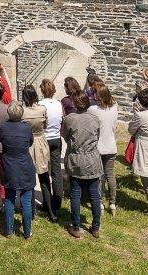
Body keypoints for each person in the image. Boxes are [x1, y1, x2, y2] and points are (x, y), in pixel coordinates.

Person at [61, 92, 103, 238]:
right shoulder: (95, 119)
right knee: (94, 195)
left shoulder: (70, 119)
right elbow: (97, 136)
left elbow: (65, 135)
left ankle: (76, 226)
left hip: (77, 158)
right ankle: (96, 227)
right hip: (92, 158)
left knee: (76, 193)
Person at [0, 102, 36, 238]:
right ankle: (27, 232)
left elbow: (2, 139)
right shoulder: (26, 128)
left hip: (9, 165)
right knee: (25, 200)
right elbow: (30, 142)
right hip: (24, 164)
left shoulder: (3, 127)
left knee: (9, 198)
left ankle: (9, 231)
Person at [20, 85, 53, 221]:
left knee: (29, 179)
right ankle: (51, 211)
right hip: (40, 142)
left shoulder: (22, 111)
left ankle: (31, 210)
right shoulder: (42, 109)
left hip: (28, 143)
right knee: (44, 177)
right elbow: (46, 125)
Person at [88, 82, 120, 214]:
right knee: (110, 175)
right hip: (111, 145)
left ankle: (99, 200)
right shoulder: (114, 108)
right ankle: (112, 203)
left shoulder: (93, 110)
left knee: (99, 176)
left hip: (99, 146)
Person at [38, 79, 65, 218]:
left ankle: (47, 203)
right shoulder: (59, 104)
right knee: (56, 172)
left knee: (43, 171)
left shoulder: (40, 105)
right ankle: (57, 200)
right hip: (56, 138)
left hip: (45, 139)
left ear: (42, 90)